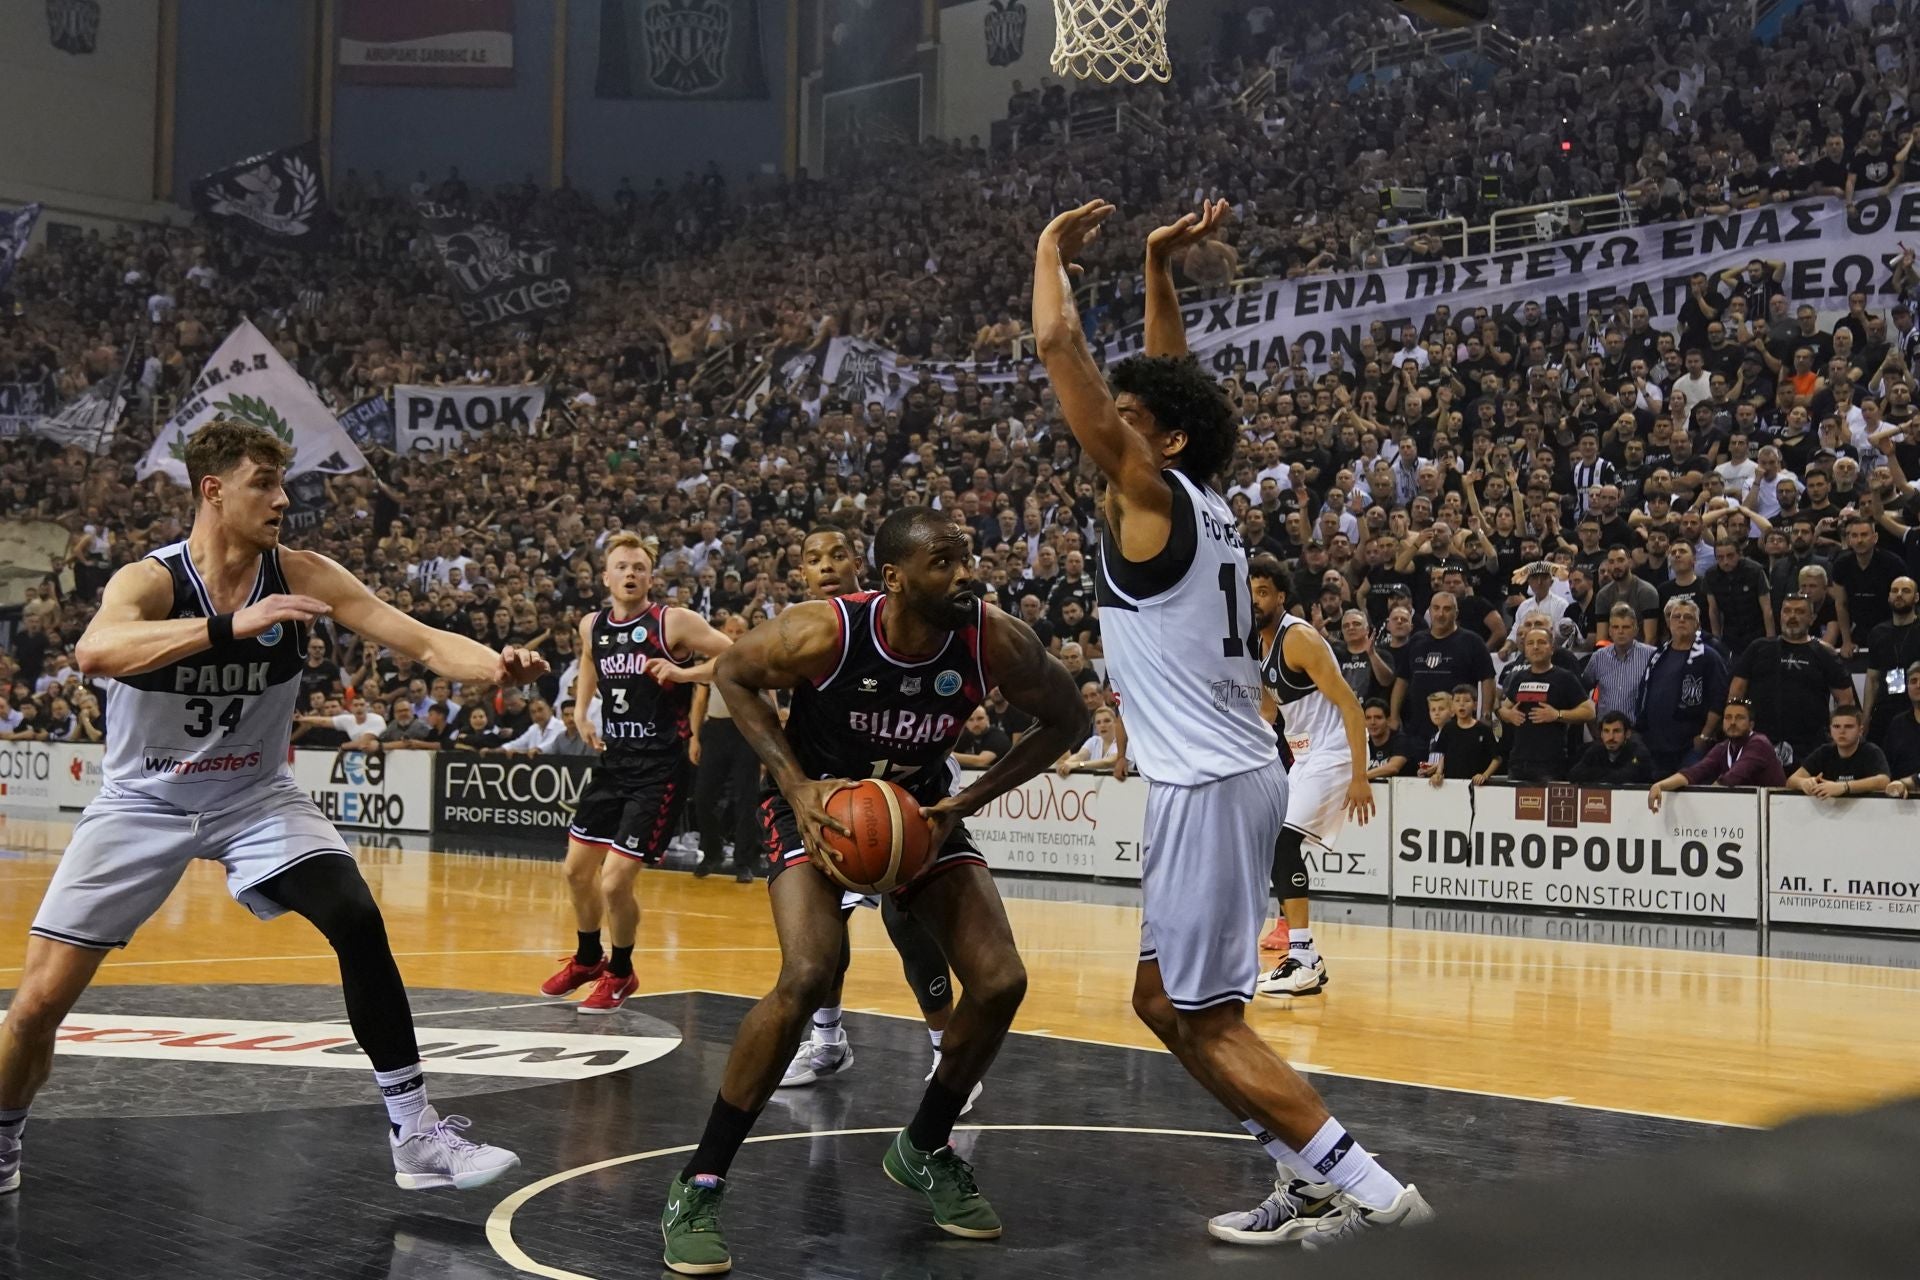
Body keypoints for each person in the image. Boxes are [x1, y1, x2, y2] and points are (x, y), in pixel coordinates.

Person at [0, 419, 545, 1199]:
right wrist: (229, 627)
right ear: (212, 490)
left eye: (283, 484)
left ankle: (415, 1134)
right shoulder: (149, 582)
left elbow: (419, 641)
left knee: (355, 915)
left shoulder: (303, 573)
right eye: (264, 483)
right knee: (35, 1007)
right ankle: (3, 1135)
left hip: (254, 797)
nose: (282, 499)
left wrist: (495, 666)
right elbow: (95, 652)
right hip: (142, 801)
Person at [1036, 200, 1430, 1250]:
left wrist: (1045, 254)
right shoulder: (1196, 493)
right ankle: (1304, 1177)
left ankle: (1386, 1202)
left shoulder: (1151, 493)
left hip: (1208, 784)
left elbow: (1056, 343)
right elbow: (1174, 386)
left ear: (1156, 443)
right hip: (1219, 775)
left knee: (1206, 1016)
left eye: (1127, 418)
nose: (1112, 423)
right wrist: (1160, 268)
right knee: (1162, 1002)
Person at [657, 507, 1087, 1273]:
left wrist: (970, 799)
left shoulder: (991, 638)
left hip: (920, 814)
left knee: (1000, 981)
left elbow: (1069, 719)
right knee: (808, 974)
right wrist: (794, 787)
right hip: (820, 812)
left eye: (967, 559)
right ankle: (700, 1181)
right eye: (944, 563)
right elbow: (732, 673)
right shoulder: (827, 630)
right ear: (894, 577)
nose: (965, 575)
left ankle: (925, 1145)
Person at [778, 527, 967, 1097]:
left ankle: (945, 1056)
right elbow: (737, 669)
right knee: (823, 929)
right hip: (842, 799)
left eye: (838, 555)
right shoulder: (803, 628)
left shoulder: (896, 618)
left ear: (869, 566)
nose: (827, 566)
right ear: (801, 575)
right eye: (813, 559)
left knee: (907, 923)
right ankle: (828, 1041)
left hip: (909, 789)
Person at [539, 532, 732, 1016]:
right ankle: (587, 959)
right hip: (614, 762)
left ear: (650, 576)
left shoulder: (673, 623)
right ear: (605, 577)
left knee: (613, 882)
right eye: (622, 566)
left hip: (660, 767)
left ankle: (621, 973)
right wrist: (582, 711)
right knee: (575, 872)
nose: (630, 574)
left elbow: (737, 655)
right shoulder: (592, 626)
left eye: (639, 567)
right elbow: (589, 660)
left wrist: (686, 675)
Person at [1245, 556, 1375, 1000]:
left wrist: (1360, 776)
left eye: (1263, 592)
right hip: (1303, 757)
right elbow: (1267, 714)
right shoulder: (1257, 645)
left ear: (1281, 597)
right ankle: (1303, 960)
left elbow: (1351, 706)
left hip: (1335, 752)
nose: (1255, 599)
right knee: (1273, 846)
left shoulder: (1298, 638)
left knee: (1283, 843)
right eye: (1250, 591)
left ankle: (1303, 959)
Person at [1728, 592, 1854, 768]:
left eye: (1800, 612)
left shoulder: (1825, 654)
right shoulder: (1758, 648)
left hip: (1810, 745)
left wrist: (1837, 736)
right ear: (1780, 616)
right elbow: (1736, 691)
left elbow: (1845, 700)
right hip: (1758, 741)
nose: (1792, 616)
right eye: (1787, 611)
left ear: (1812, 618)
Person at [692, 615, 761, 881]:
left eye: (739, 631)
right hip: (716, 731)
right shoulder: (713, 661)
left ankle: (743, 861)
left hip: (746, 732)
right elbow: (699, 702)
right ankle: (712, 852)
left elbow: (770, 700)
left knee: (746, 798)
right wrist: (694, 738)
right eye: (730, 630)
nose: (734, 635)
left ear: (747, 633)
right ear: (721, 632)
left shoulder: (756, 662)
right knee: (703, 797)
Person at [1636, 598, 1729, 775]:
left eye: (1688, 617)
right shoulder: (1658, 655)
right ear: (1669, 623)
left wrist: (1705, 736)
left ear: (1697, 624)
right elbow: (1644, 691)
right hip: (1655, 744)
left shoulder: (1709, 657)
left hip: (1690, 746)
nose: (1681, 620)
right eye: (1676, 616)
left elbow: (1719, 699)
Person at [1646, 698, 1787, 810]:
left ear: (1751, 724)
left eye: (1739, 718)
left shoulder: (1759, 743)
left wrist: (1703, 803)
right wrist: (1660, 785)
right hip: (1746, 811)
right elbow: (1695, 772)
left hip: (1775, 811)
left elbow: (1732, 778)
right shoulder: (1723, 747)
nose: (1732, 722)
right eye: (1728, 717)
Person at [1497, 627, 1595, 781]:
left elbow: (1589, 711)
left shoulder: (1564, 678)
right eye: (1530, 643)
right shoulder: (1519, 677)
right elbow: (1503, 709)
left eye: (1541, 642)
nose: (1535, 647)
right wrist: (1508, 714)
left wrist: (1558, 715)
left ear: (1552, 648)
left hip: (1550, 765)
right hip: (1518, 762)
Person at [1862, 577, 1920, 744]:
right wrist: (1866, 717)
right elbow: (1872, 679)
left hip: (1915, 708)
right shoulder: (1878, 633)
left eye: (1906, 591)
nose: (1899, 595)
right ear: (1889, 597)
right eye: (1894, 591)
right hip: (1885, 710)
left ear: (1916, 598)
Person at [1787, 706, 1890, 798]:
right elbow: (1791, 781)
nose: (1842, 731)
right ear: (1830, 730)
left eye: (1849, 726)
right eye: (1836, 727)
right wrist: (1804, 782)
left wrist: (1845, 786)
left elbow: (1884, 781)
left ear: (1860, 730)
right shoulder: (1824, 752)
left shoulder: (1871, 751)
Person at [1431, 683, 1501, 787]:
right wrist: (1438, 773)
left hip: (1476, 786)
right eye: (1457, 700)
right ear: (1452, 706)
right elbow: (1443, 754)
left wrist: (1484, 775)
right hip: (1451, 784)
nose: (1461, 704)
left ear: (1475, 705)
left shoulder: (1483, 729)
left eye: (1467, 701)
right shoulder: (1448, 729)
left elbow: (1497, 758)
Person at [1570, 711, 1655, 784]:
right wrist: (1608, 774)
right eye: (1606, 731)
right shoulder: (1595, 749)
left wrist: (1595, 773)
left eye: (1616, 731)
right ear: (1601, 734)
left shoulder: (1638, 751)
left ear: (1627, 734)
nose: (1611, 737)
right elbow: (1574, 774)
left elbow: (1624, 777)